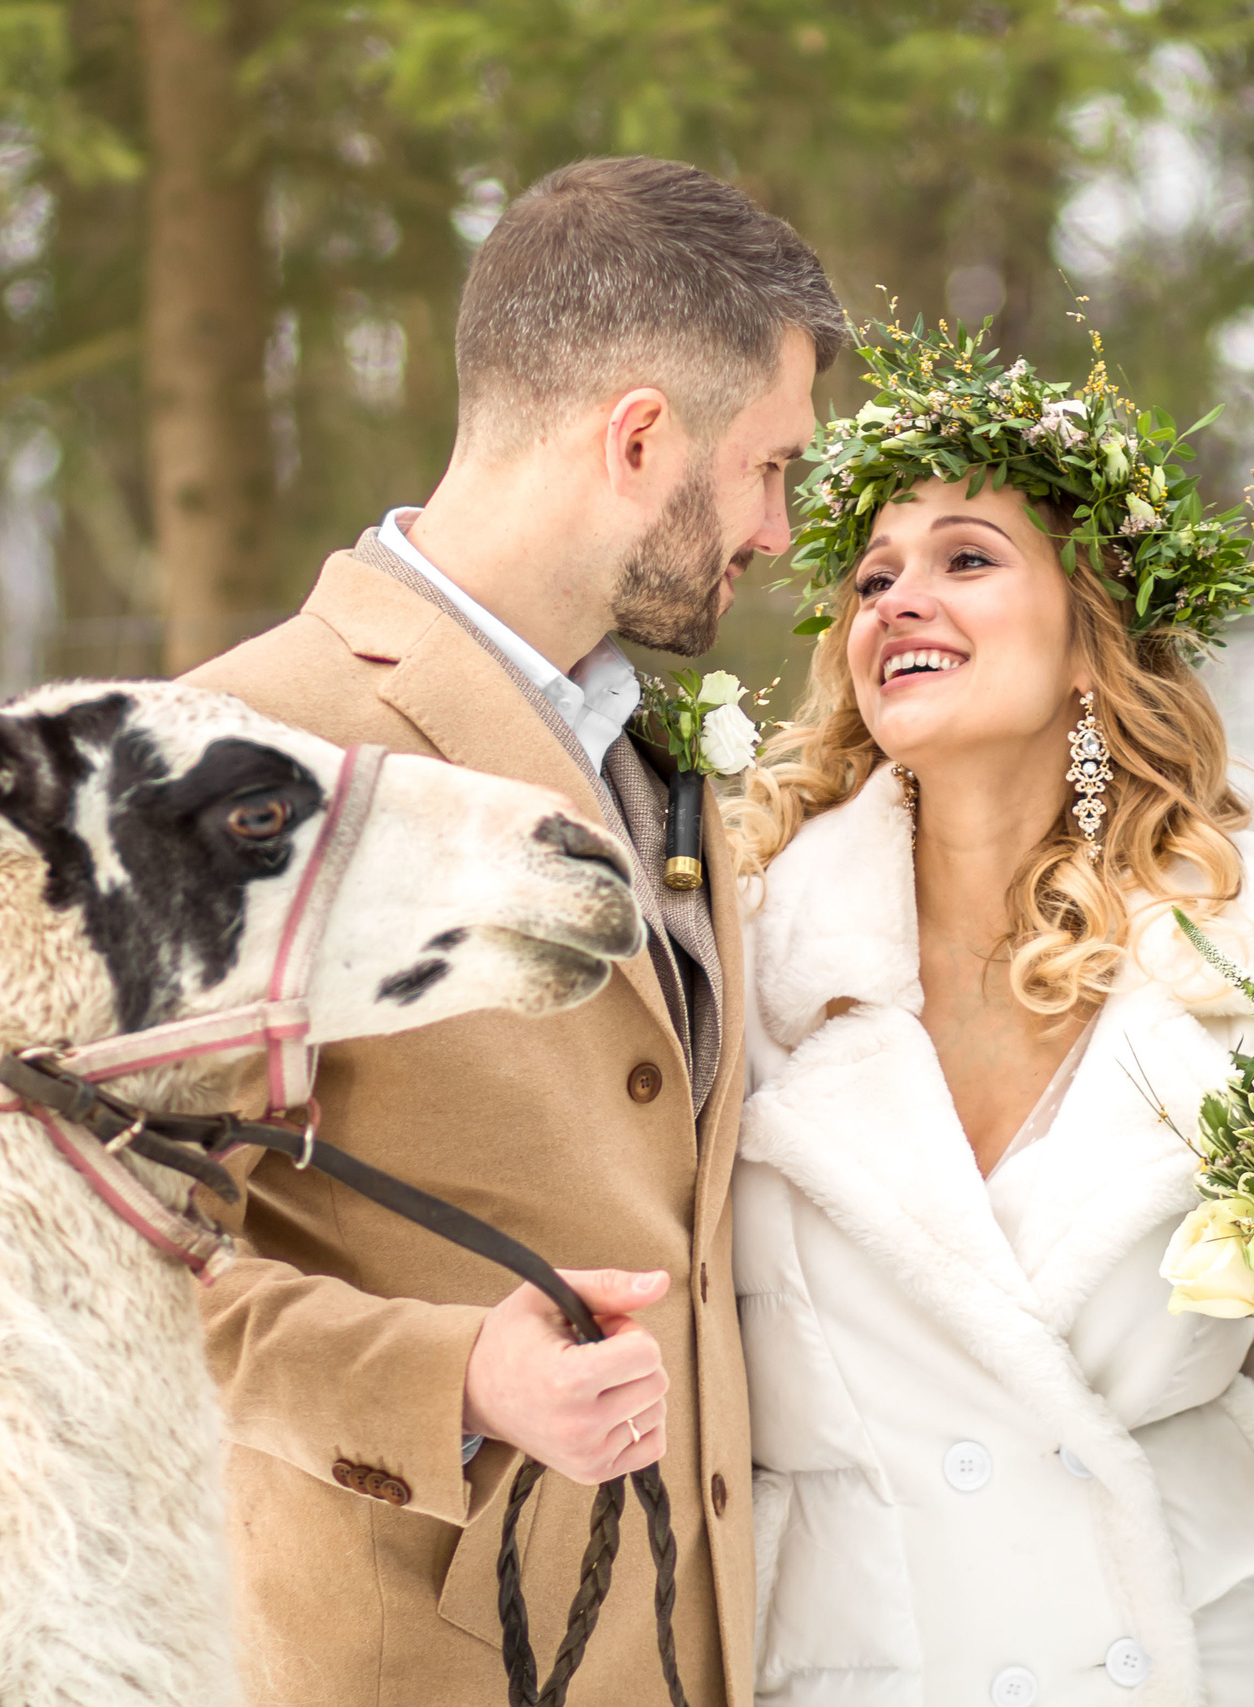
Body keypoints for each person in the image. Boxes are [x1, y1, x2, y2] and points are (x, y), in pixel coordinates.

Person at [730, 322, 1254, 1705]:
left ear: (1091, 643)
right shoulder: (747, 944)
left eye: (966, 558)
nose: (898, 598)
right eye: (874, 575)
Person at [184, 156, 847, 1707]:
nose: (778, 526)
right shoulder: (248, 751)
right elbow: (117, 1255)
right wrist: (456, 1379)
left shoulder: (641, 743)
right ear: (638, 437)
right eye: (769, 468)